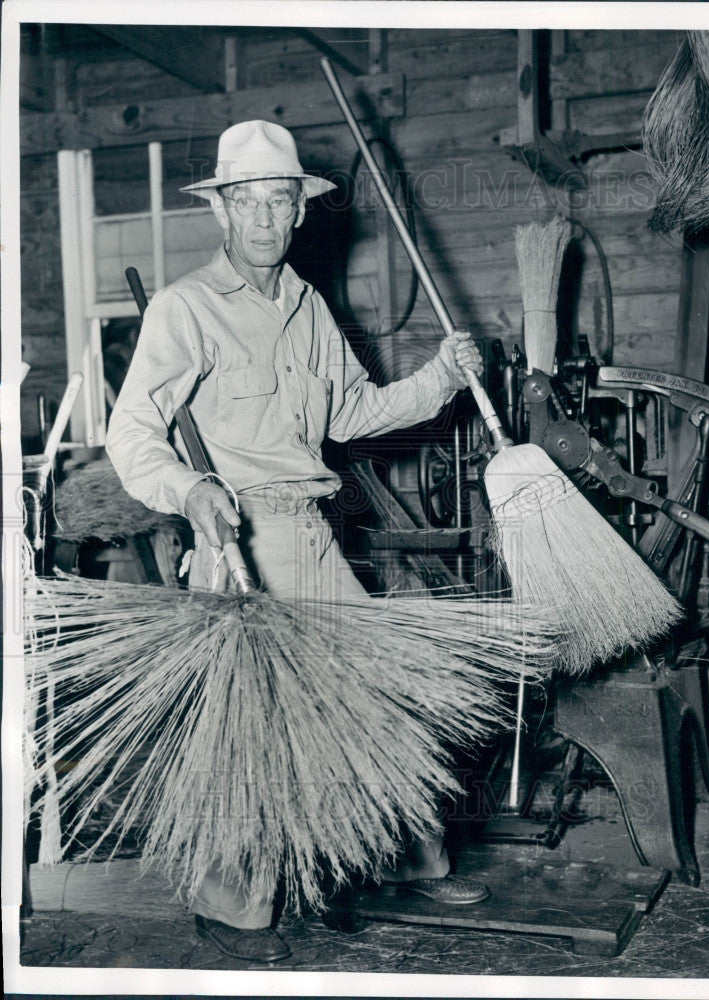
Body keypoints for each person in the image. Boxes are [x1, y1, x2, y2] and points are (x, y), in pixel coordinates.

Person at [106, 120, 487, 964]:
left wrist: (440, 378)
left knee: (378, 700)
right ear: (224, 211)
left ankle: (399, 859)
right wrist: (189, 486)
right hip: (237, 542)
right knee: (249, 731)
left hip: (311, 535)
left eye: (281, 203)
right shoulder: (186, 308)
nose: (267, 221)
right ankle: (233, 911)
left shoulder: (311, 307)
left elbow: (351, 414)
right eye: (250, 204)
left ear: (298, 212)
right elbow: (130, 434)